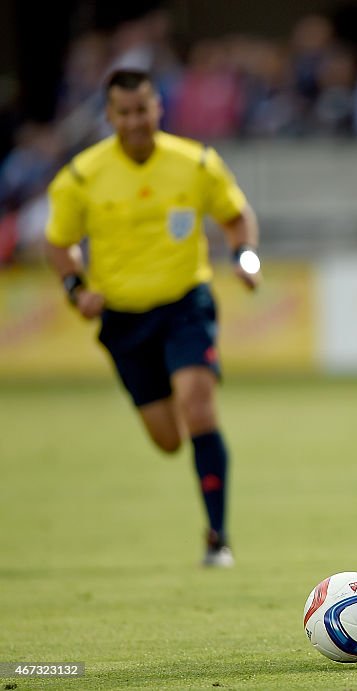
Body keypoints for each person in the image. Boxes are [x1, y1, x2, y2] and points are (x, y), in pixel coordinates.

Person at [44, 69, 262, 568]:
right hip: (123, 321)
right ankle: (198, 471)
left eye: (143, 110)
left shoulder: (195, 162)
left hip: (186, 304)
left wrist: (245, 256)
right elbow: (58, 243)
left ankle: (217, 538)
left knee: (199, 406)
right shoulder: (81, 176)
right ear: (110, 115)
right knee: (168, 439)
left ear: (157, 109)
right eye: (124, 113)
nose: (135, 121)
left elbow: (235, 215)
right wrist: (75, 288)